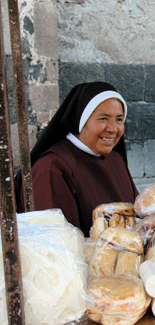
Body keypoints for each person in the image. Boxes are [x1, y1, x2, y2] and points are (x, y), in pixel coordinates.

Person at [18, 82, 138, 236]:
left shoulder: (115, 159)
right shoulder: (52, 168)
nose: (113, 128)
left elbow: (136, 213)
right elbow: (55, 241)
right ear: (81, 120)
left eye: (119, 119)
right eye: (103, 119)